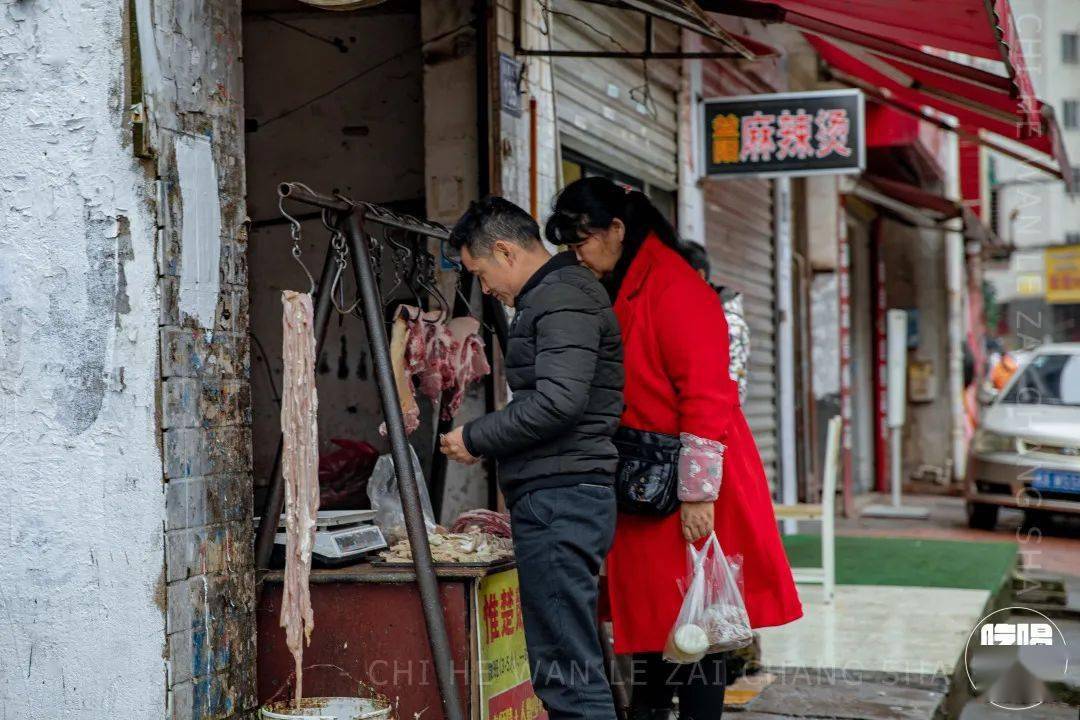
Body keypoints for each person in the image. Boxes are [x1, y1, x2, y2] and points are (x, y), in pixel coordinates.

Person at [546, 177, 803, 720]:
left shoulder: (675, 286)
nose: (578, 256)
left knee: (696, 633)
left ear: (617, 229)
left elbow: (707, 397)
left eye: (582, 242)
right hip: (649, 481)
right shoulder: (634, 282)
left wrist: (698, 494)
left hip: (685, 484)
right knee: (658, 634)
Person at [440, 196, 625, 720]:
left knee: (565, 672)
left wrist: (476, 437)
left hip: (562, 497)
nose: (485, 288)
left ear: (503, 250)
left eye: (479, 272)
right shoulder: (560, 294)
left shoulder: (562, 297)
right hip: (562, 494)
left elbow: (557, 402)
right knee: (571, 660)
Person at [679, 241, 751, 407]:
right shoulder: (688, 315)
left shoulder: (729, 323)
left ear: (699, 276)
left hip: (713, 427)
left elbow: (732, 395)